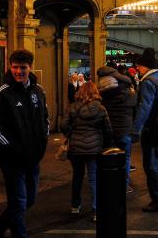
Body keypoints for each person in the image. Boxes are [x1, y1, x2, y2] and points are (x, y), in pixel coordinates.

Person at [0, 49, 49, 238]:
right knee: (19, 201)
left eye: (23, 67)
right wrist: (14, 150)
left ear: (30, 67)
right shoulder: (2, 93)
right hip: (11, 160)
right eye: (15, 67)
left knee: (29, 200)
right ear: (10, 67)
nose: (18, 71)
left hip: (33, 158)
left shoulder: (39, 91)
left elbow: (45, 118)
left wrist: (41, 144)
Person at [60, 81, 112, 221]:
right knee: (94, 178)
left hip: (76, 148)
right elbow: (107, 129)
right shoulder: (101, 109)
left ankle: (75, 206)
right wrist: (106, 144)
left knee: (77, 176)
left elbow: (63, 125)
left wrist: (71, 134)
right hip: (94, 148)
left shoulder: (72, 107)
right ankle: (96, 209)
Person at [133, 48, 158, 212]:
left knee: (152, 166)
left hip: (153, 130)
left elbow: (144, 108)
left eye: (139, 66)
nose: (137, 69)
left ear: (145, 66)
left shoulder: (148, 82)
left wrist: (135, 129)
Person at [97, 65, 135, 193]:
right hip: (125, 130)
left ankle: (110, 183)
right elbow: (136, 110)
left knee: (109, 158)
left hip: (109, 130)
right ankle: (124, 185)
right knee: (125, 158)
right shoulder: (129, 93)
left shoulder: (102, 94)